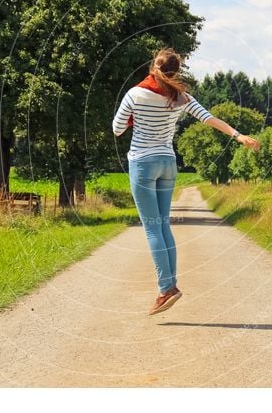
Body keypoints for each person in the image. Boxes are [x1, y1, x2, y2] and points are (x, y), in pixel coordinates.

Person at [112, 48, 261, 315]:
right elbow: (209, 118)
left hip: (143, 163)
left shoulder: (134, 94)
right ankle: (169, 285)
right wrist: (238, 136)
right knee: (163, 225)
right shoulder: (181, 97)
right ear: (176, 72)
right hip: (168, 164)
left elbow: (117, 128)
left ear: (152, 67)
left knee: (152, 229)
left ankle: (166, 288)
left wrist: (137, 117)